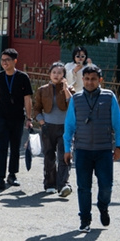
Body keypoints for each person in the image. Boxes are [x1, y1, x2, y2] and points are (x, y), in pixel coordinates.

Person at [64, 64, 120, 232]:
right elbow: (69, 126)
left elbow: (118, 124)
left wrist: (119, 146)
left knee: (106, 186)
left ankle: (103, 206)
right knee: (84, 187)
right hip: (82, 150)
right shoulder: (76, 99)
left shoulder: (109, 97)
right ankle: (85, 219)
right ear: (82, 80)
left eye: (93, 79)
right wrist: (67, 148)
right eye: (87, 79)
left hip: (104, 150)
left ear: (100, 80)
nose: (90, 82)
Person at [0, 48, 33, 190]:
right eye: (2, 60)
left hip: (17, 117)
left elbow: (27, 98)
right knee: (1, 147)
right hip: (2, 117)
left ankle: (12, 175)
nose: (4, 63)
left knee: (15, 147)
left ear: (15, 61)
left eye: (7, 60)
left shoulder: (23, 77)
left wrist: (29, 118)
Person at [33, 61, 73, 197]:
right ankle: (50, 184)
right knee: (49, 156)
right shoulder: (42, 90)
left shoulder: (69, 89)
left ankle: (63, 185)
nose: (56, 75)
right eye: (54, 72)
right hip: (48, 127)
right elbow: (36, 108)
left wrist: (66, 88)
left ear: (64, 75)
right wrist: (42, 121)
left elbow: (72, 105)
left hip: (65, 128)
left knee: (64, 156)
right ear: (49, 74)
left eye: (60, 73)